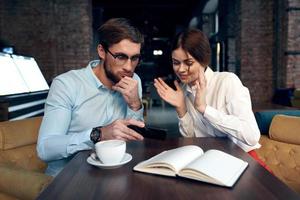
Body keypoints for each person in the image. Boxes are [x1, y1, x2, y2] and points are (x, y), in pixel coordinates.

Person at [37, 18, 145, 176]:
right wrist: (99, 134)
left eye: (134, 58)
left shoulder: (134, 81)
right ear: (102, 51)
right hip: (68, 179)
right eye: (120, 57)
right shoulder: (66, 85)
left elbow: (134, 139)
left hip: (114, 174)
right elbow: (45, 148)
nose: (129, 67)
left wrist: (135, 105)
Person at [154, 28, 266, 167]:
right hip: (210, 162)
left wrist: (204, 109)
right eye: (176, 62)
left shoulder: (227, 81)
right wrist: (181, 108)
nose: (181, 69)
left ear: (203, 60)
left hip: (244, 159)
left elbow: (251, 136)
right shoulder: (184, 90)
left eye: (188, 63)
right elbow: (191, 140)